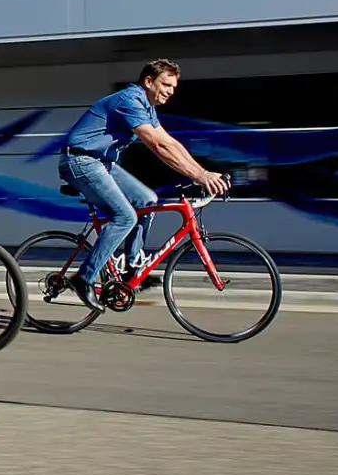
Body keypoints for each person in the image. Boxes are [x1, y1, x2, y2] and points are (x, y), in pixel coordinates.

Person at [58, 58, 228, 312]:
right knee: (125, 216)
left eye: (174, 87)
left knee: (147, 200)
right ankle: (84, 279)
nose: (171, 91)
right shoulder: (129, 100)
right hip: (80, 160)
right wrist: (200, 176)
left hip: (101, 163)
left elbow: (169, 143)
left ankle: (132, 269)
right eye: (166, 84)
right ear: (149, 81)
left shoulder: (147, 107)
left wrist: (200, 172)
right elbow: (157, 145)